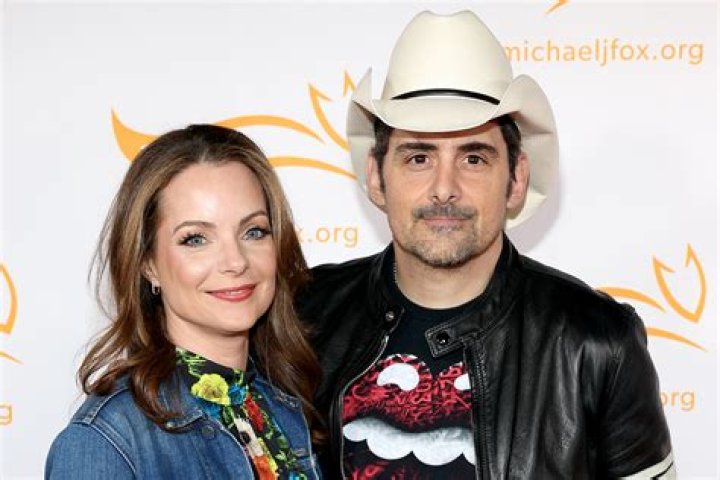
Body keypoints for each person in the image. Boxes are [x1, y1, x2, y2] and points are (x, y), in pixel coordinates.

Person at [297, 10, 675, 479]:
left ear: (516, 179)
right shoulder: (303, 319)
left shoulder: (598, 345)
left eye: (473, 158)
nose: (444, 189)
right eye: (418, 157)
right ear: (376, 176)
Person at [46, 125, 323, 479]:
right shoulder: (108, 438)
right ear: (148, 263)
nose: (235, 261)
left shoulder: (282, 407)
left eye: (253, 231)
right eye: (196, 239)